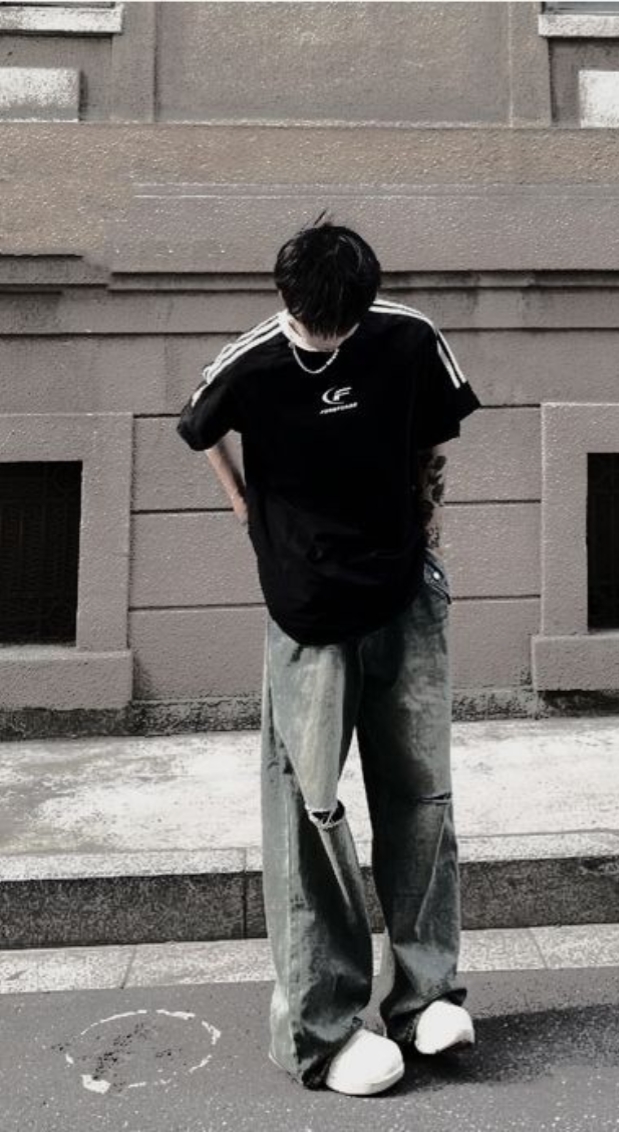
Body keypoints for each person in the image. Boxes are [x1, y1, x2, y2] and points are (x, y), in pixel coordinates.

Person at [176, 212, 482, 1096]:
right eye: (312, 326)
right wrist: (246, 511)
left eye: (337, 325)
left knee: (422, 799)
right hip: (309, 617)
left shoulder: (408, 337)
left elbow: (435, 435)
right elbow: (197, 427)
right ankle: (320, 1029)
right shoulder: (253, 361)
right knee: (310, 817)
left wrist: (426, 527)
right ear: (287, 303)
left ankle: (425, 997)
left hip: (404, 601)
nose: (323, 339)